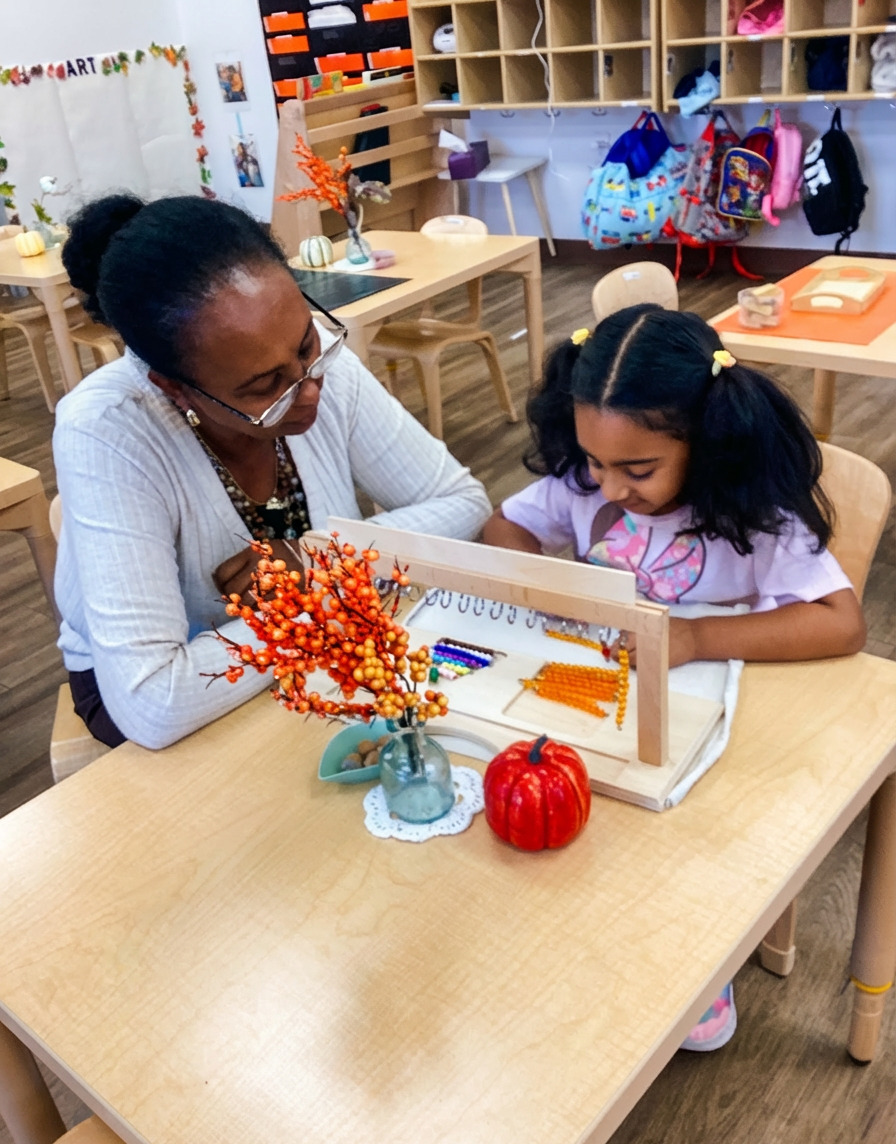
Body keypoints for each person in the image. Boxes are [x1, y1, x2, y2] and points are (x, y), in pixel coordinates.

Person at [483, 304, 865, 1050]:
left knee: (685, 838)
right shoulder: (585, 486)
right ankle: (586, 930)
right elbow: (507, 526)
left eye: (638, 469)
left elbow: (839, 621)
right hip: (601, 704)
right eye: (595, 461)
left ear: (708, 442)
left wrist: (692, 636)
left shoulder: (753, 518)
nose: (610, 488)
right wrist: (543, 578)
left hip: (710, 723)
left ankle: (694, 957)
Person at [55, 194, 490, 751]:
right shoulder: (107, 429)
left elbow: (463, 503)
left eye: (308, 343)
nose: (309, 389)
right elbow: (154, 701)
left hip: (292, 653)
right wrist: (334, 598)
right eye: (263, 387)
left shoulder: (308, 362)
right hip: (161, 697)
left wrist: (318, 561)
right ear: (174, 386)